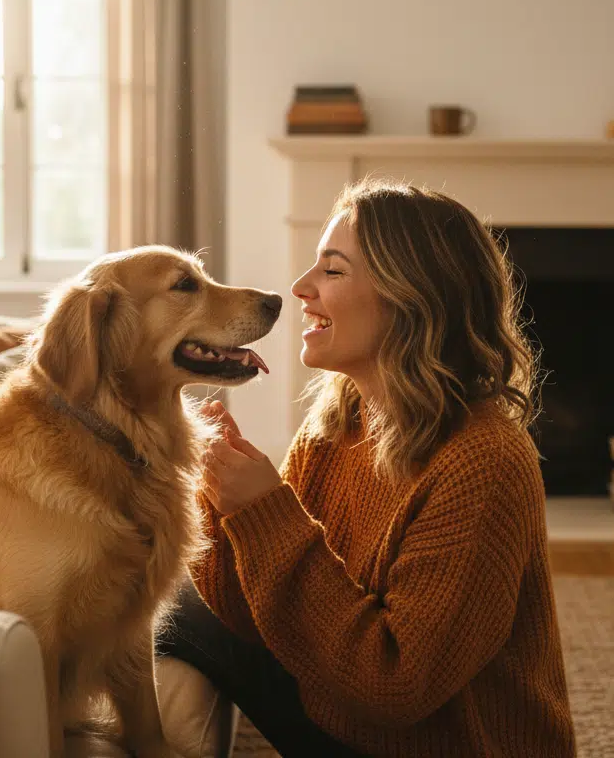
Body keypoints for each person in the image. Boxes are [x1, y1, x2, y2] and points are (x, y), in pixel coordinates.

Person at [156, 178, 576, 757]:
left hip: (431, 744)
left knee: (163, 603)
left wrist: (265, 513)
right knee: (154, 587)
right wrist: (224, 499)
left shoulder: (485, 461)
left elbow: (396, 687)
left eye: (332, 271)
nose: (300, 289)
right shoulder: (343, 419)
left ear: (412, 295)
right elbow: (256, 617)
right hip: (343, 713)